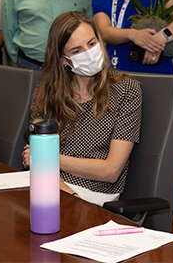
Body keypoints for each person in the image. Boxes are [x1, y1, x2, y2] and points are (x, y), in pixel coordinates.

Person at [22, 11, 142, 206]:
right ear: (63, 60)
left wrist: (48, 157)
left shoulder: (126, 90)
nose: (88, 52)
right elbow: (32, 156)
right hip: (47, 185)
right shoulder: (47, 91)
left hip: (93, 197)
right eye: (77, 50)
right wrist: (51, 173)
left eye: (92, 43)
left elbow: (111, 171)